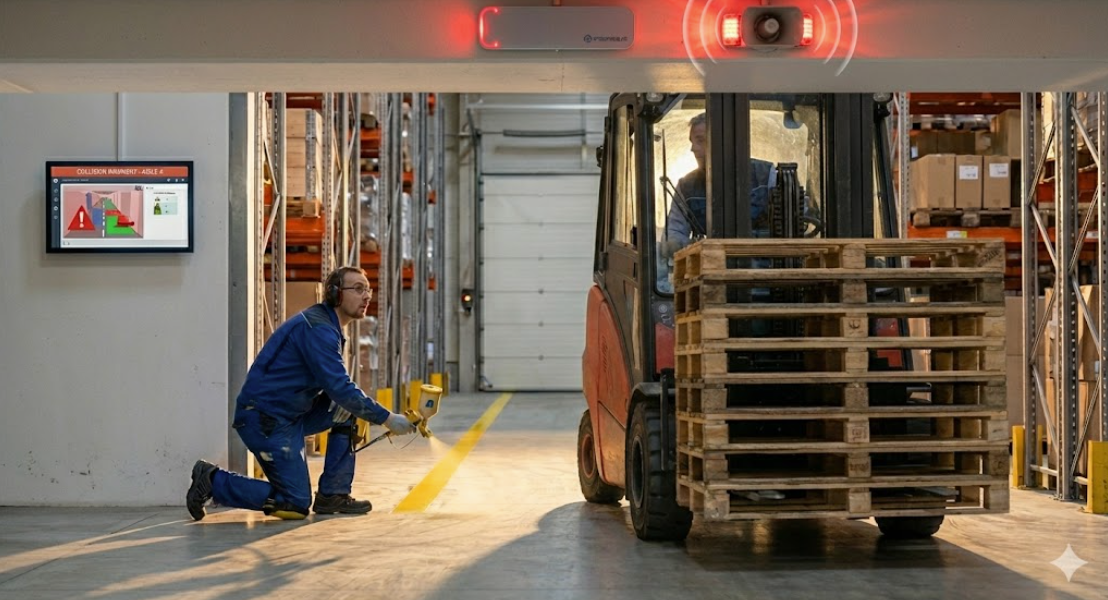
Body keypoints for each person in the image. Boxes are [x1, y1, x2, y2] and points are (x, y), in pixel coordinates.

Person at [186, 266, 417, 521]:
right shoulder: (317, 329)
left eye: (369, 290)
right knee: (294, 503)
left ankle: (333, 494)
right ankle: (213, 481)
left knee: (345, 411)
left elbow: (341, 394)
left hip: (291, 413)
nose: (367, 296)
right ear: (335, 293)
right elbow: (340, 387)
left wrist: (377, 414)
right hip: (265, 419)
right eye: (359, 289)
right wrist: (387, 418)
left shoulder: (329, 326)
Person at [665, 112, 777, 251]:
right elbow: (676, 233)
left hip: (766, 265)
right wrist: (675, 245)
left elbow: (793, 223)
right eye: (692, 142)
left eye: (700, 140)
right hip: (711, 265)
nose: (693, 149)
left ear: (723, 141)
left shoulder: (767, 177)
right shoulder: (685, 188)